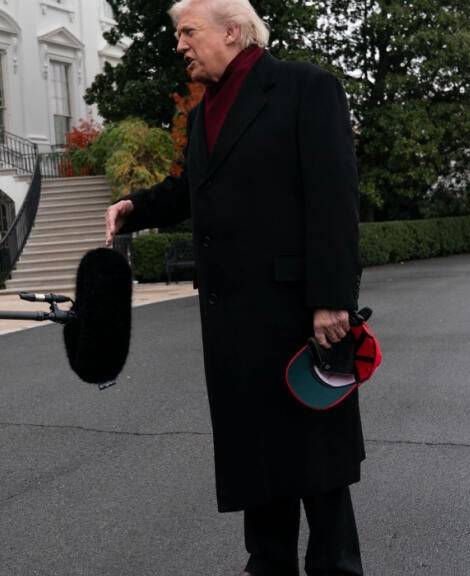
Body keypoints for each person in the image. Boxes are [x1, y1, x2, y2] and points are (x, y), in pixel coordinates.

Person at [104, 1, 364, 574]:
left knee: (318, 468)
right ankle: (267, 566)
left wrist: (331, 298)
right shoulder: (204, 114)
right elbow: (191, 186)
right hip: (235, 325)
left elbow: (334, 197)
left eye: (187, 32)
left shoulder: (306, 88)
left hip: (299, 316)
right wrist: (135, 208)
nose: (180, 44)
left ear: (232, 31)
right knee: (258, 462)